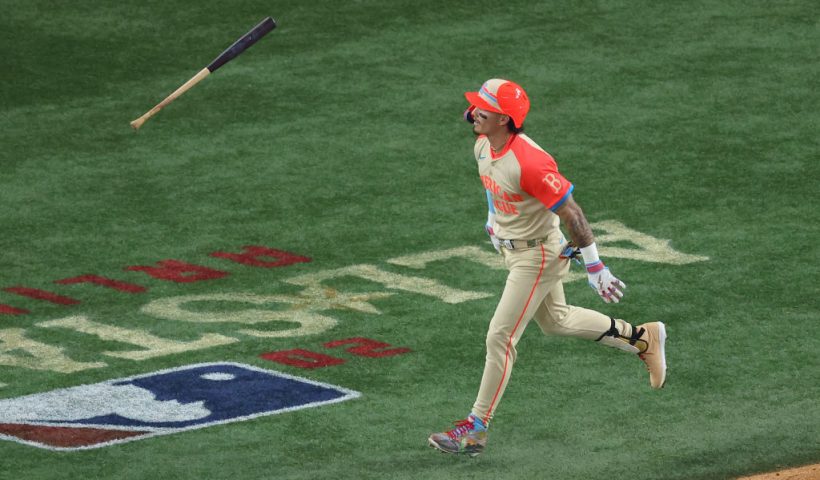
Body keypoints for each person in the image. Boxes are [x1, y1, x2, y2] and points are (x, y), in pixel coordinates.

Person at [428, 79, 667, 457]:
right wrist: (493, 223)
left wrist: (595, 266)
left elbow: (572, 212)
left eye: (483, 108)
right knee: (556, 321)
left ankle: (474, 429)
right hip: (516, 251)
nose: (474, 111)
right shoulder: (484, 145)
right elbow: (494, 188)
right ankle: (641, 338)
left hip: (538, 256)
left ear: (504, 119)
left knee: (499, 337)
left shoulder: (531, 162)